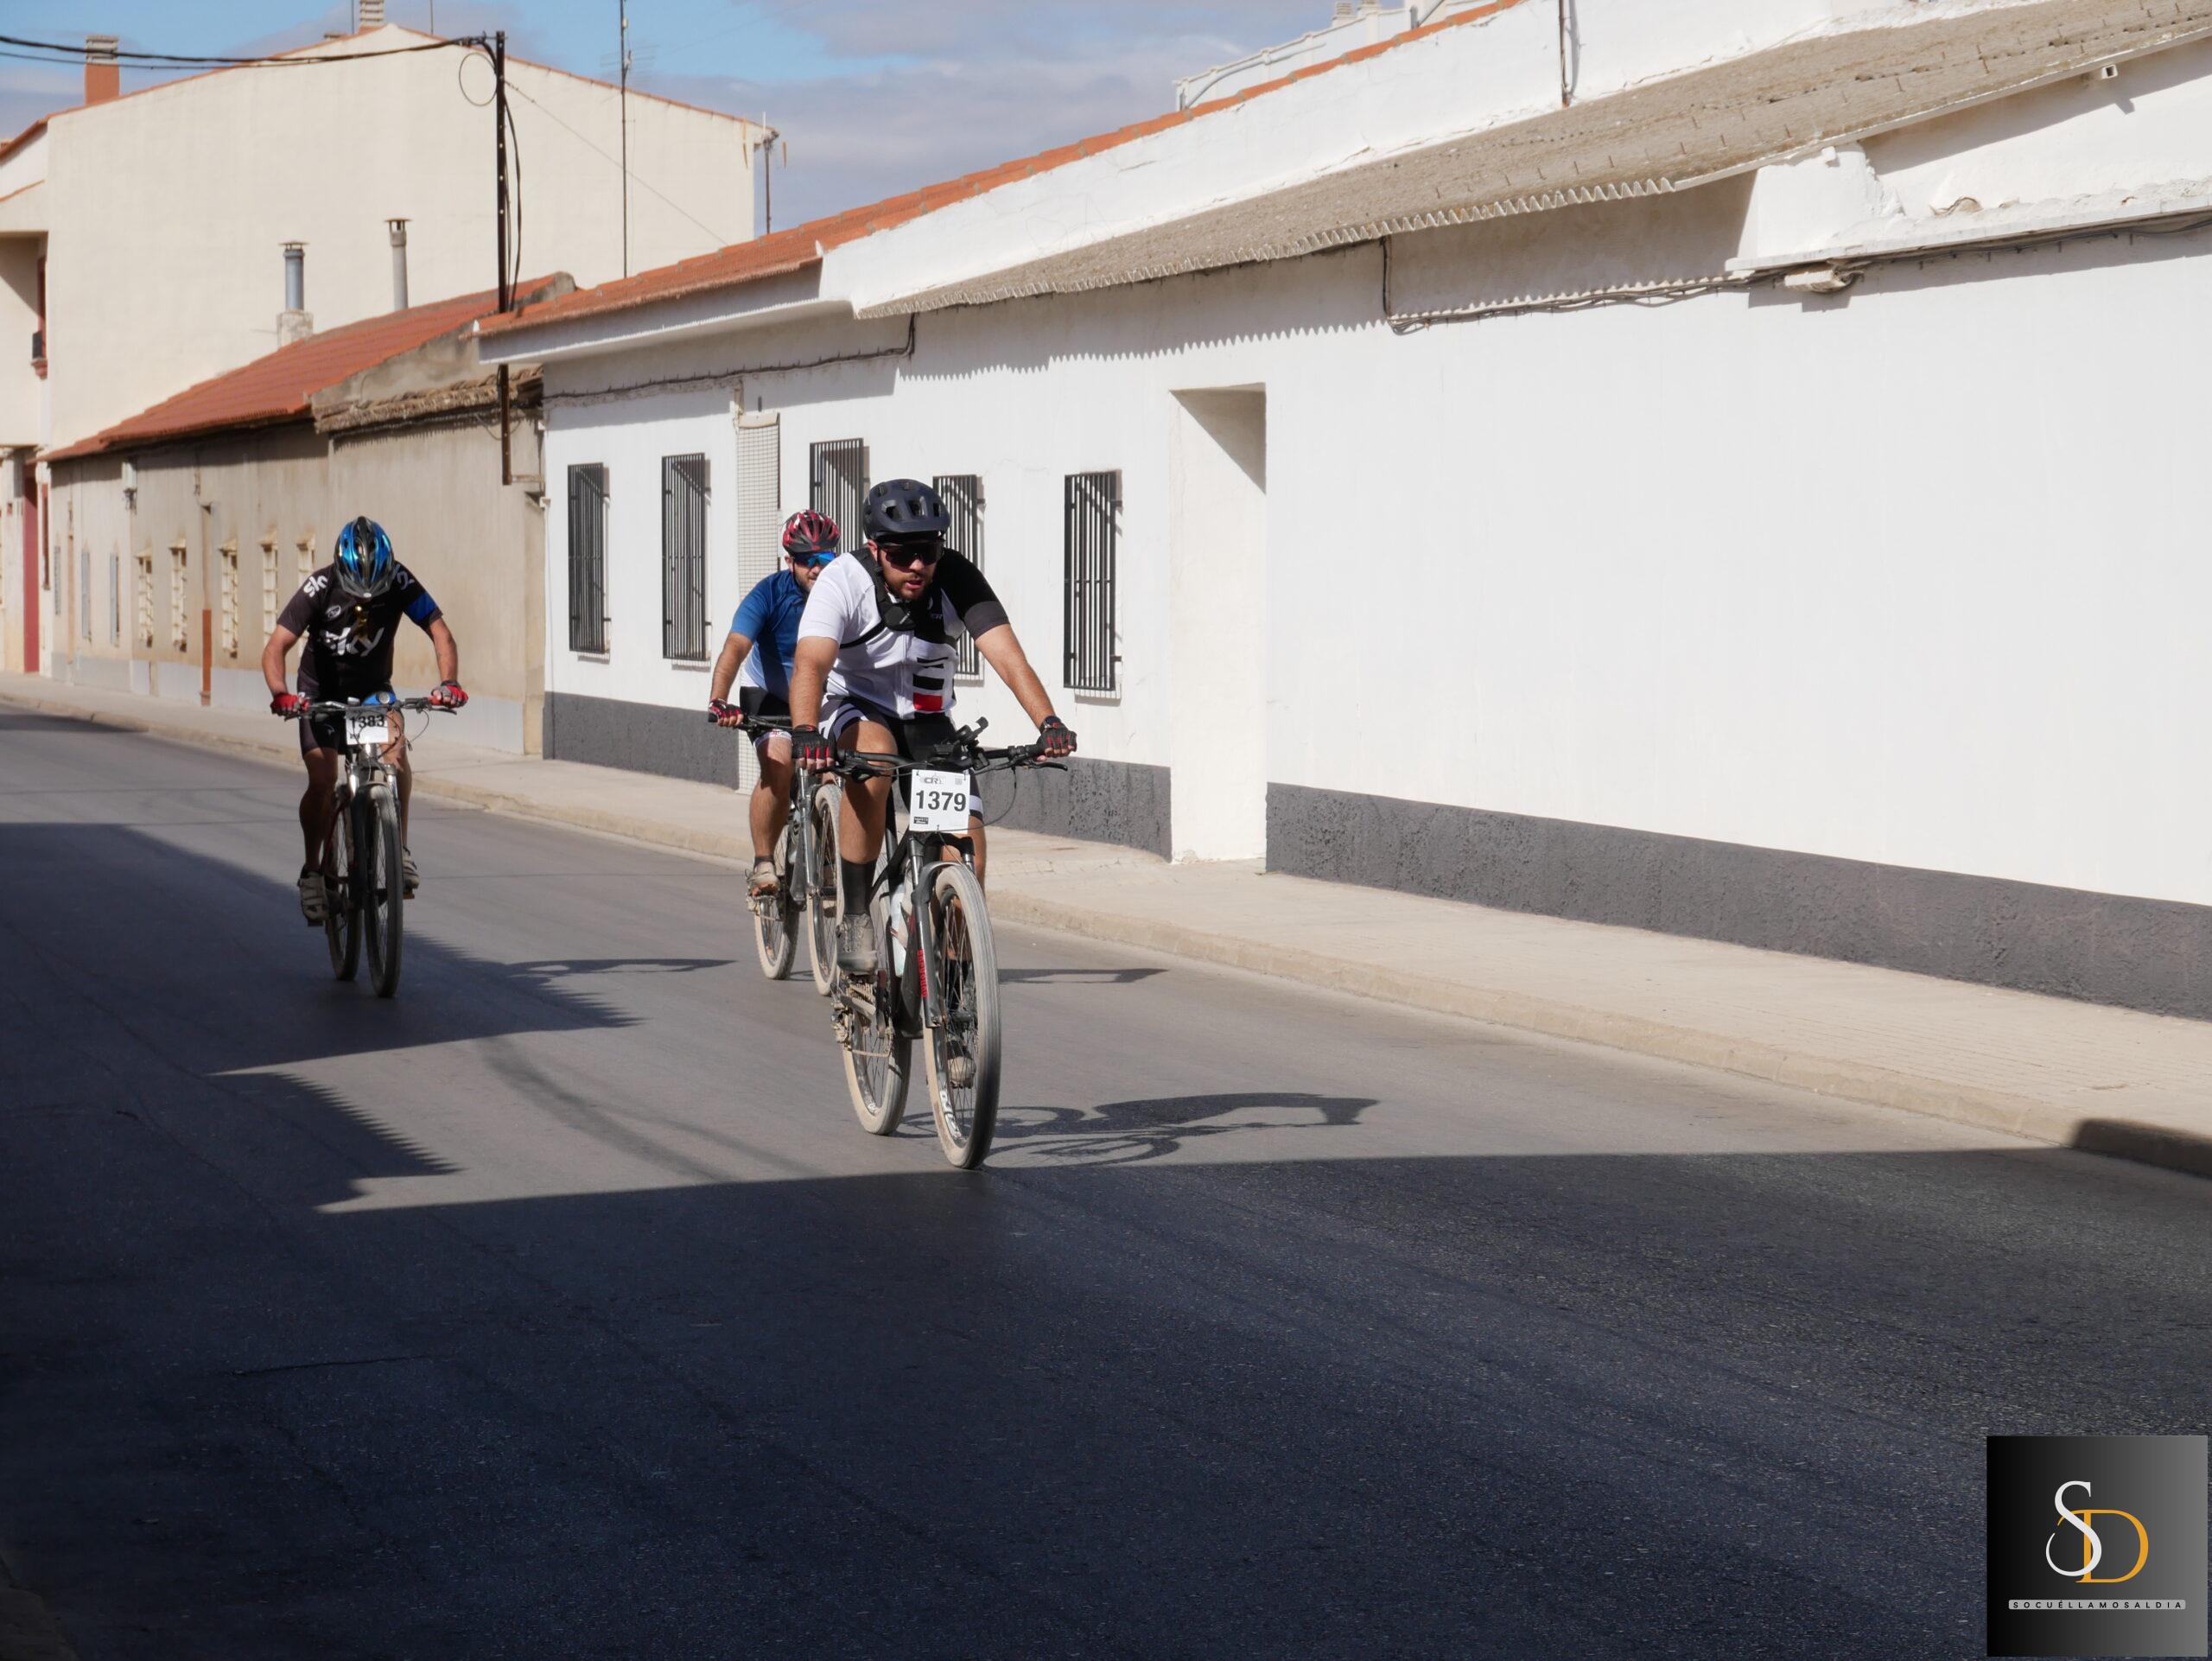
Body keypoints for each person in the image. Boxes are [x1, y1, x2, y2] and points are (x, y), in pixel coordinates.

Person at [786, 478, 1076, 976]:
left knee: (966, 851)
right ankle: (855, 915)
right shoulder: (843, 581)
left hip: (927, 719)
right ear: (875, 549)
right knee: (874, 757)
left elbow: (1009, 659)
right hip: (855, 706)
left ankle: (959, 982)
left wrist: (1048, 721)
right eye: (902, 555)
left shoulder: (957, 577)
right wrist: (806, 731)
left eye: (929, 551)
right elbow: (811, 663)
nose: (918, 565)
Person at [263, 516, 467, 924]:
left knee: (397, 753)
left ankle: (400, 850)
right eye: (358, 592)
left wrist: (449, 683)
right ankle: (313, 873)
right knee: (322, 780)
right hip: (319, 694)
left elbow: (439, 631)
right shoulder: (319, 587)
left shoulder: (400, 580)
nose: (368, 600)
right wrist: (281, 694)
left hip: (373, 689)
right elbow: (276, 647)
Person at [707, 509, 840, 900]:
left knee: (832, 773)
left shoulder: (843, 592)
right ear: (789, 561)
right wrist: (719, 699)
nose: (818, 568)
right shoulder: (768, 594)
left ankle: (828, 854)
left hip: (820, 698)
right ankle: (764, 862)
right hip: (768, 695)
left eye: (826, 557)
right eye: (807, 560)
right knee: (778, 764)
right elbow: (736, 647)